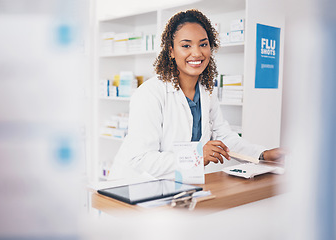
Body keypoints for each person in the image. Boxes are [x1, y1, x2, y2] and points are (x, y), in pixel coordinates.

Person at [108, 9, 284, 180]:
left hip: (177, 185)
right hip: (133, 187)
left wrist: (262, 154)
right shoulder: (150, 93)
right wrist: (197, 155)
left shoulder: (206, 90)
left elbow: (223, 137)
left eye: (203, 44)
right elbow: (141, 159)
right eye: (186, 45)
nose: (197, 53)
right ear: (171, 50)